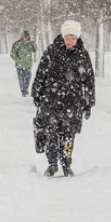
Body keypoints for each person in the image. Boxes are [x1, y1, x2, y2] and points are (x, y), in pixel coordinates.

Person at [32, 20, 96, 177]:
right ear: (62, 36)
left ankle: (66, 163)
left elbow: (88, 80)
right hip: (51, 101)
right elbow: (41, 73)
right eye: (68, 37)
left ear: (77, 38)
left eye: (73, 37)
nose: (70, 41)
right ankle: (52, 164)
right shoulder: (52, 52)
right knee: (51, 134)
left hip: (73, 103)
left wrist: (88, 102)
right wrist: (37, 93)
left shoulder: (82, 55)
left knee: (68, 136)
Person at [9, 29, 37, 97]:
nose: (27, 39)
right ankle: (23, 92)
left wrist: (32, 43)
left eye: (28, 38)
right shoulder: (17, 44)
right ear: (23, 37)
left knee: (28, 78)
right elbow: (12, 54)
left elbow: (35, 50)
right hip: (20, 66)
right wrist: (19, 60)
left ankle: (25, 89)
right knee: (21, 80)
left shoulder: (30, 44)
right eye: (26, 38)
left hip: (28, 65)